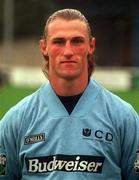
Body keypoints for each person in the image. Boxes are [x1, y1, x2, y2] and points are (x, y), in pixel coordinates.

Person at [0, 8, 139, 180]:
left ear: (91, 46)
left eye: (77, 41)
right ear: (44, 47)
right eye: (59, 42)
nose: (68, 51)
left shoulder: (123, 117)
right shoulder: (16, 120)